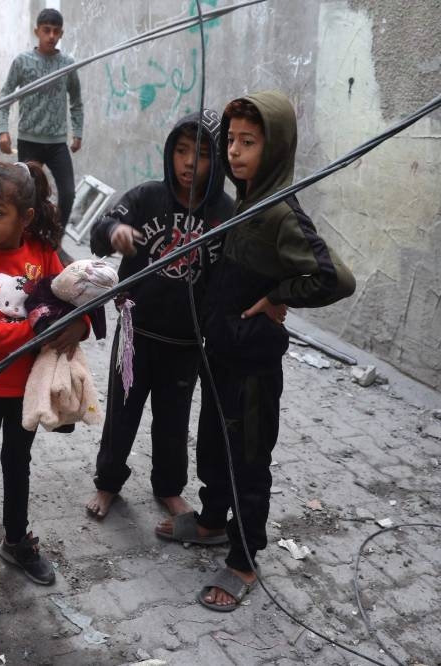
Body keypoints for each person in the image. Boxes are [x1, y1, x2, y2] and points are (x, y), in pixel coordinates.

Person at [155, 91, 355, 612]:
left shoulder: (280, 213)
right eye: (232, 141)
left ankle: (243, 558)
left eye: (249, 142)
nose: (236, 153)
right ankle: (210, 521)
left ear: (278, 146)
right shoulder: (246, 202)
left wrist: (277, 296)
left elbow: (334, 277)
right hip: (221, 354)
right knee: (215, 447)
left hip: (252, 368)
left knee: (247, 461)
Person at [0, 160, 88, 621]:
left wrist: (79, 327)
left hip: (27, 390)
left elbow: (72, 298)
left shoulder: (42, 253)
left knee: (18, 464)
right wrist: (33, 333)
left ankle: (14, 540)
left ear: (24, 217)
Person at [84, 109, 235, 520]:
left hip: (186, 342)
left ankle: (168, 488)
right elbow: (102, 228)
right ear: (170, 152)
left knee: (173, 421)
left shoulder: (224, 214)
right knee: (121, 413)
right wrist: (114, 234)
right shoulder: (147, 197)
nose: (188, 162)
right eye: (181, 150)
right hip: (137, 336)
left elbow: (230, 277)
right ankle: (108, 483)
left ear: (216, 161)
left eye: (201, 153)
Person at [0, 8, 83, 240]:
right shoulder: (23, 62)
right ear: (37, 31)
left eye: (56, 31)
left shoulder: (67, 63)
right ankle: (28, 240)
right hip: (29, 140)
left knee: (67, 193)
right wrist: (2, 130)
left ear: (61, 33)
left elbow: (76, 101)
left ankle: (55, 241)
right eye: (46, 30)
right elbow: (5, 96)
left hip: (56, 142)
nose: (51, 36)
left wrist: (78, 132)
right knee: (27, 194)